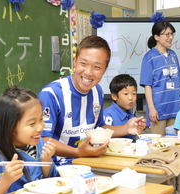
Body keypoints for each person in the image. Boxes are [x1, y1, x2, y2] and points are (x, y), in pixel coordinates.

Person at [38, 35, 146, 166]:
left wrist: (126, 128)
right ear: (74, 61)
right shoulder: (51, 94)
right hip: (56, 168)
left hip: (88, 164)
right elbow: (43, 139)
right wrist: (77, 152)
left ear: (105, 70)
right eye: (83, 64)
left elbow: (99, 128)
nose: (88, 72)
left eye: (97, 67)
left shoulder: (97, 91)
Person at [0, 86, 58, 194]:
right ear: (9, 127)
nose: (40, 127)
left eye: (41, 119)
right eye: (32, 123)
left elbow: (53, 182)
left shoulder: (40, 144)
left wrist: (46, 160)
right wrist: (6, 180)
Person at [140, 20, 180, 136]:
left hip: (175, 108)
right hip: (159, 110)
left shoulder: (173, 54)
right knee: (158, 145)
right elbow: (147, 85)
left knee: (175, 145)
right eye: (167, 34)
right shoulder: (149, 57)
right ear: (157, 37)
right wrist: (151, 108)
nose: (170, 37)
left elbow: (177, 80)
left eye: (172, 34)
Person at [104, 74, 137, 140]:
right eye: (126, 94)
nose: (131, 98)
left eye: (134, 94)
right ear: (114, 96)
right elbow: (104, 134)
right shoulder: (108, 114)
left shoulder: (130, 114)